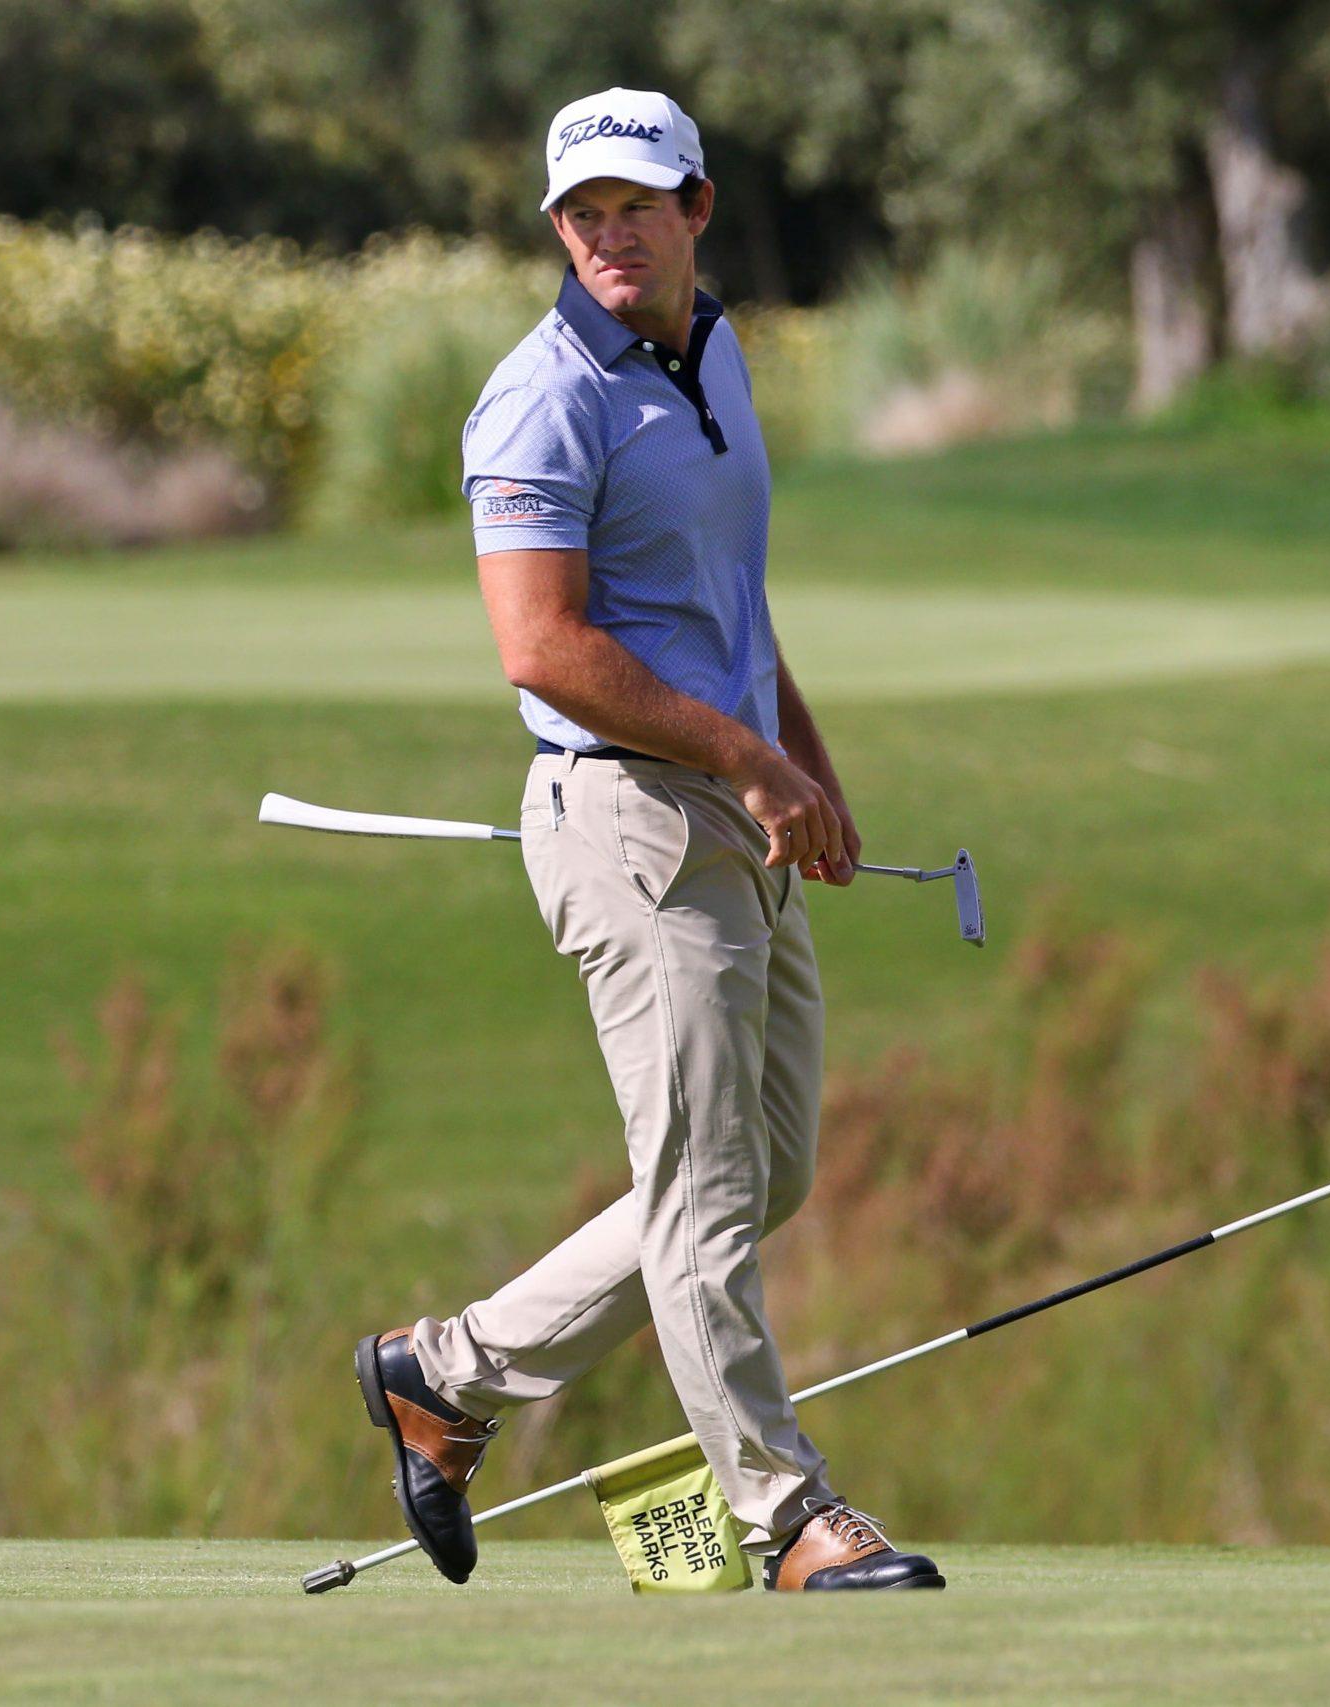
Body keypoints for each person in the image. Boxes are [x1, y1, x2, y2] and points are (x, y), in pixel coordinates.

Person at [352, 87, 944, 1594]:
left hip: (736, 803)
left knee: (770, 1167)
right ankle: (787, 1515)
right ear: (558, 228)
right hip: (627, 815)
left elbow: (725, 597)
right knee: (702, 1192)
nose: (607, 233)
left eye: (635, 205)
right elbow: (541, 647)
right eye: (580, 213)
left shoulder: (715, 351)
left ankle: (450, 1372)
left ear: (696, 210)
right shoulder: (541, 394)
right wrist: (748, 757)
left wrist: (802, 760)